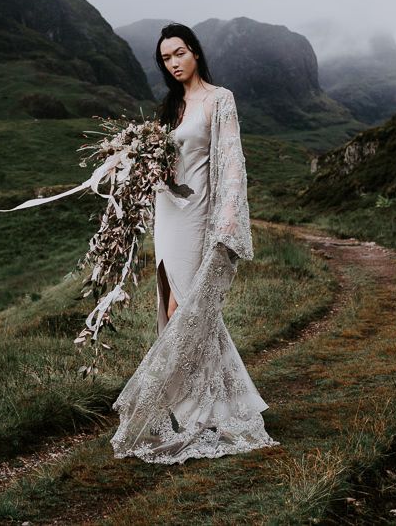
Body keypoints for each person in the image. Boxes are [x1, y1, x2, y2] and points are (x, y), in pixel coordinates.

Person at [109, 23, 280, 464]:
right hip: (167, 218)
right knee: (175, 310)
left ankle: (209, 411)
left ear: (195, 53)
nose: (174, 62)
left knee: (188, 311)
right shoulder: (170, 109)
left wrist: (224, 228)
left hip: (197, 219)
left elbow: (231, 165)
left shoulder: (219, 100)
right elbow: (166, 166)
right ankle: (207, 409)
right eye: (166, 58)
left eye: (179, 52)